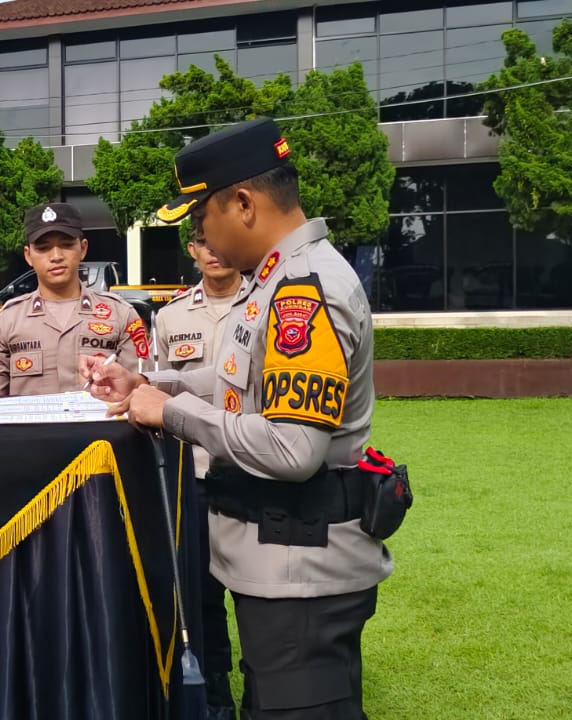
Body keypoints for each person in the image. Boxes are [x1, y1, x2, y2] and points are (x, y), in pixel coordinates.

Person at [83, 119, 389, 720]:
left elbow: (292, 449)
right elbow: (244, 390)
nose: (201, 234)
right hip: (280, 563)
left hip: (301, 569)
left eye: (203, 217)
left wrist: (168, 413)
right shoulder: (275, 278)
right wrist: (151, 383)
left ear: (243, 203)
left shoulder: (304, 288)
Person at [150, 217, 244, 715]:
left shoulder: (263, 303)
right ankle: (215, 700)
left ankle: (265, 695)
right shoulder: (170, 317)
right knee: (202, 597)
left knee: (253, 596)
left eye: (219, 241)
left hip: (251, 468)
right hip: (194, 475)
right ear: (192, 249)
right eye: (203, 243)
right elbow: (162, 387)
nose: (213, 251)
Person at [0, 202, 147, 397]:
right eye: (43, 248)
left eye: (66, 245)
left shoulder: (121, 315)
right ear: (28, 255)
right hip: (29, 428)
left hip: (99, 428)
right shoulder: (4, 322)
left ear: (82, 249)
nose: (56, 256)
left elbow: (140, 390)